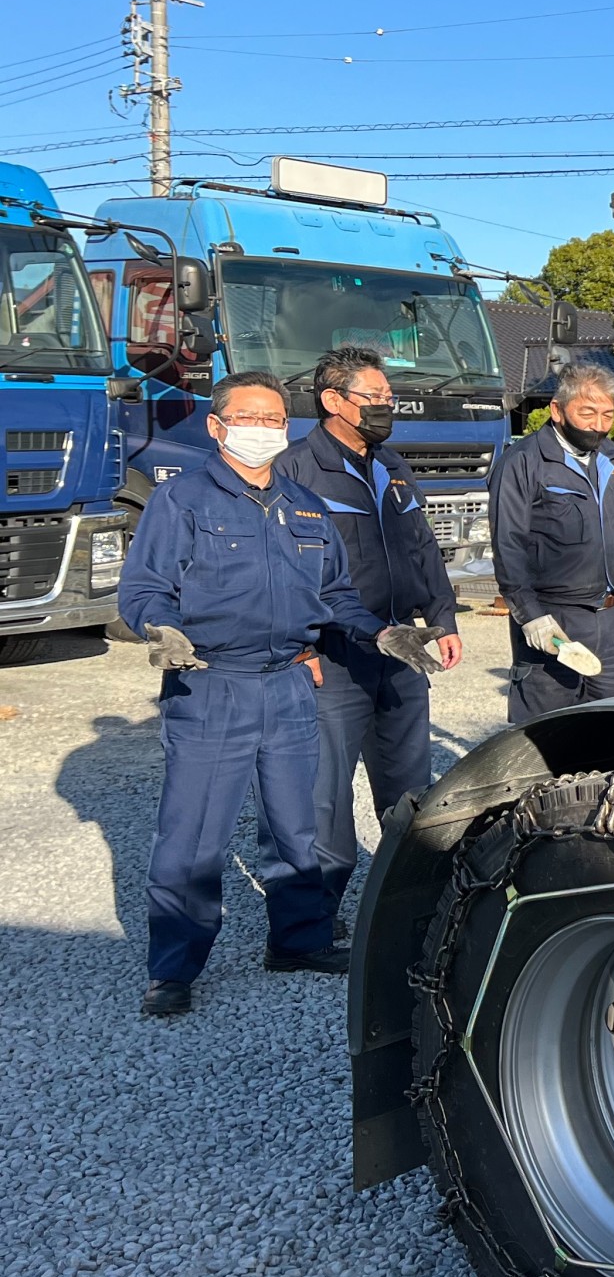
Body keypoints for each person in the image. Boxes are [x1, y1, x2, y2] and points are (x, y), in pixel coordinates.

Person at [116, 370, 444, 1018]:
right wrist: (161, 629)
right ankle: (173, 967)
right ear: (217, 426)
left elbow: (338, 597)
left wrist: (383, 636)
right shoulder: (182, 502)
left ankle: (298, 940)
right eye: (249, 417)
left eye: (273, 420)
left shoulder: (303, 504)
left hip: (292, 683)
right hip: (212, 683)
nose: (263, 429)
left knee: (298, 827)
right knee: (195, 834)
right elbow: (144, 587)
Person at [250, 347, 463, 930]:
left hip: (400, 655)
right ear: (332, 401)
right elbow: (278, 573)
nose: (385, 408)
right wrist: (296, 649)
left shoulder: (392, 465)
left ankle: (407, 912)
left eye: (388, 398)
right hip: (330, 661)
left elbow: (422, 547)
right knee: (322, 801)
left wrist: (442, 616)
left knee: (411, 796)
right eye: (373, 398)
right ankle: (309, 925)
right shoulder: (295, 470)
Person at [489, 361, 614, 719]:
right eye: (587, 413)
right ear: (557, 410)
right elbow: (508, 546)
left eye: (608, 415)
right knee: (549, 737)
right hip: (556, 621)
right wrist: (529, 615)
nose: (598, 425)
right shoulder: (522, 463)